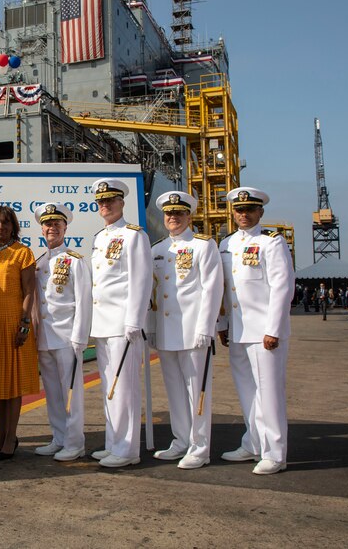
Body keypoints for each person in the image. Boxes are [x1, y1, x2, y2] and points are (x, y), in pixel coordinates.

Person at [217, 186, 294, 475]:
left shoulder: (271, 243)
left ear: (261, 212)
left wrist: (273, 329)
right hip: (238, 331)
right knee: (247, 392)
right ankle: (253, 443)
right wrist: (223, 325)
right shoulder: (226, 244)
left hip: (264, 332)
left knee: (269, 394)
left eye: (250, 209)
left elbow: (282, 287)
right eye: (239, 209)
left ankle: (275, 453)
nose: (244, 214)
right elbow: (225, 291)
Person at [146, 191, 222, 469]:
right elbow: (153, 294)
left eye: (179, 213)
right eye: (169, 214)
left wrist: (206, 327)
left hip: (193, 331)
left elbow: (213, 289)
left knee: (197, 390)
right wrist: (152, 327)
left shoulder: (203, 246)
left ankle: (200, 448)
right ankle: (180, 440)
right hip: (166, 332)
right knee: (174, 391)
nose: (173, 218)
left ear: (189, 216)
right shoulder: (157, 250)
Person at [89, 178, 152, 468]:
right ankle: (113, 443)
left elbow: (141, 280)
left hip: (122, 326)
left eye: (110, 200)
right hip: (103, 325)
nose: (105, 205)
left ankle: (127, 450)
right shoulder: (100, 238)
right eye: (101, 201)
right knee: (109, 389)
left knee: (124, 388)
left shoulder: (133, 235)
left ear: (121, 202)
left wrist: (134, 321)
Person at [0, 205, 39, 460]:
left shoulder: (23, 253)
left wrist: (24, 324)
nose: (0, 227)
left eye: (5, 223)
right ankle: (1, 436)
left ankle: (11, 438)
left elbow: (29, 291)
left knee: (12, 387)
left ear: (13, 226)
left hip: (14, 325)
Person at [32, 203, 92, 462]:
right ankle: (59, 437)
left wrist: (80, 337)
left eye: (57, 223)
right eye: (47, 224)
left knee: (71, 392)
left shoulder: (75, 261)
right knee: (53, 392)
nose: (51, 228)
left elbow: (84, 300)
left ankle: (75, 442)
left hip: (67, 336)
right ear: (42, 229)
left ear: (65, 227)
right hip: (45, 337)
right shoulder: (39, 261)